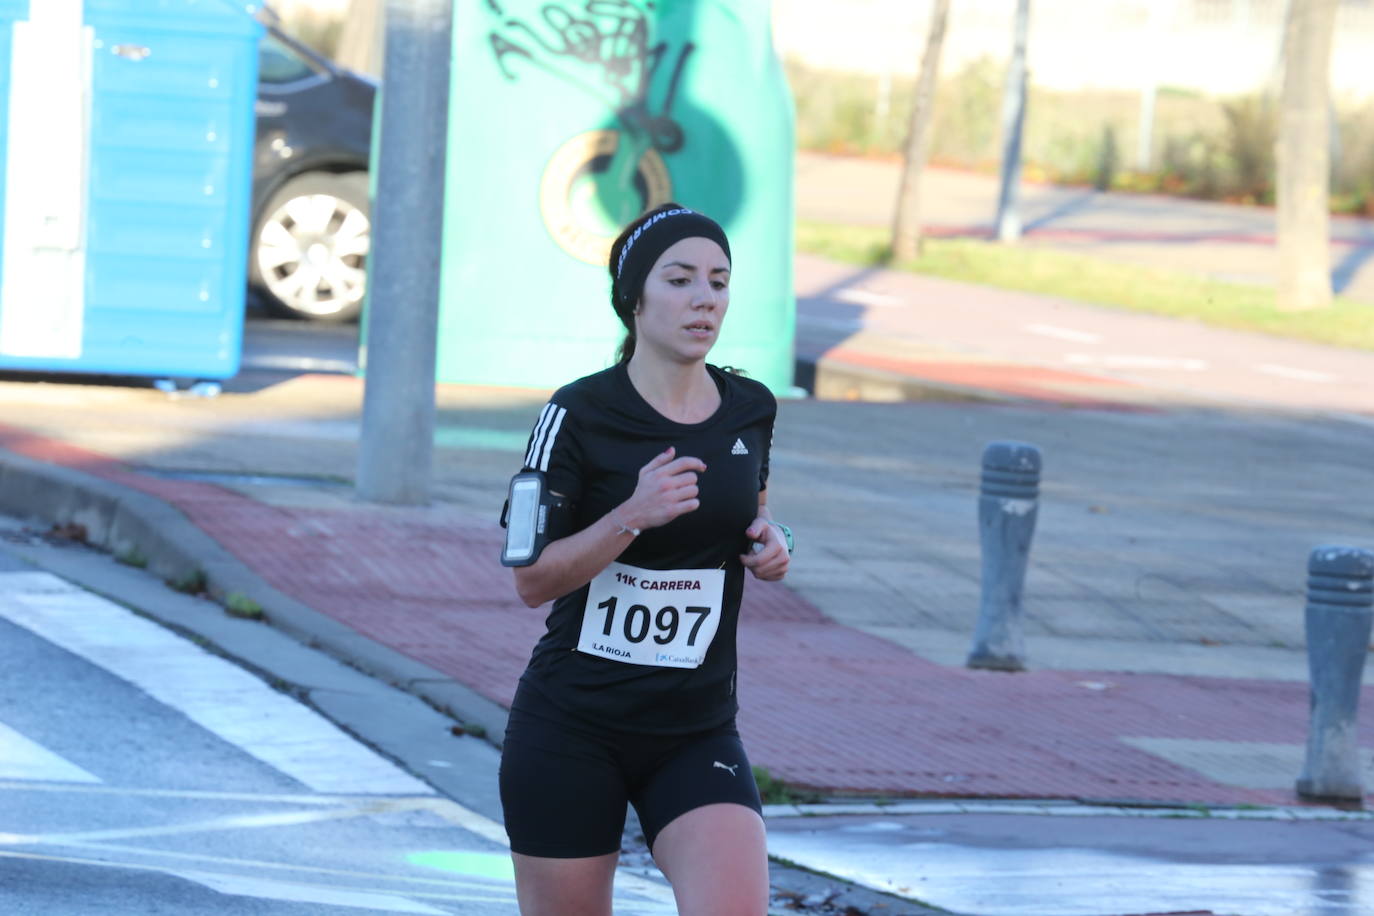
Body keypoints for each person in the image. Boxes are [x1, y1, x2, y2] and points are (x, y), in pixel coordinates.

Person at [498, 203, 792, 916]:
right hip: (572, 728)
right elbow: (531, 579)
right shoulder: (577, 414)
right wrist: (630, 515)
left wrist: (772, 544)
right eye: (681, 279)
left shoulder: (750, 407)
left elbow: (751, 514)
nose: (705, 299)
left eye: (719, 282)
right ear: (635, 298)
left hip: (694, 729)